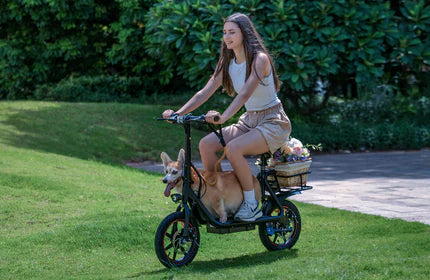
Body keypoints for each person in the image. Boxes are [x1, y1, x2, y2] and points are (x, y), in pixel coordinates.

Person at [162, 13, 291, 222]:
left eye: (232, 32)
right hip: (250, 120)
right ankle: (216, 197)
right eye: (224, 33)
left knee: (233, 149)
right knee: (206, 145)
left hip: (273, 122)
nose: (227, 37)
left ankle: (250, 204)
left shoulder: (260, 59)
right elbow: (205, 92)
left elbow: (245, 94)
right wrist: (178, 114)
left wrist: (223, 118)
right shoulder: (228, 60)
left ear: (244, 33)